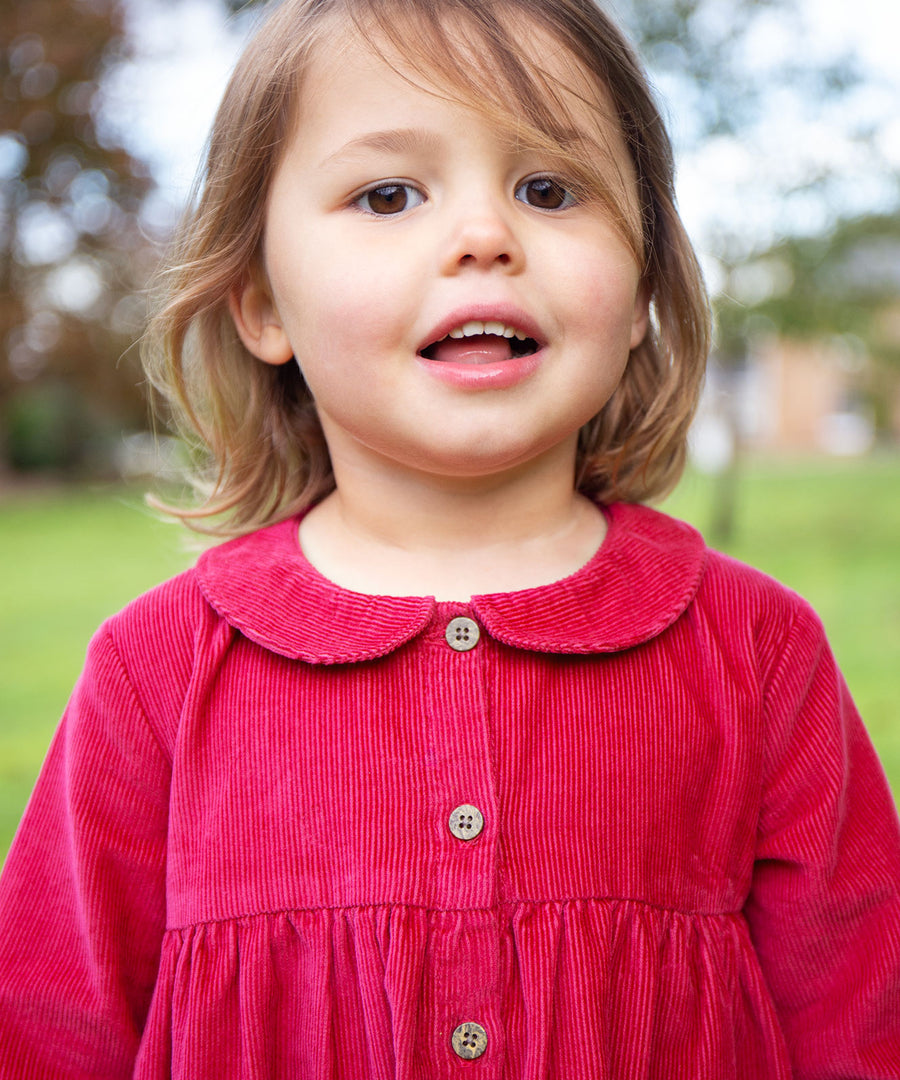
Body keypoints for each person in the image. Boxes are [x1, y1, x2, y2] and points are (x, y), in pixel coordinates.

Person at [1, 0, 898, 1074]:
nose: (485, 237)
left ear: (647, 281)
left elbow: (863, 1027)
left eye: (548, 189)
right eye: (388, 194)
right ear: (259, 303)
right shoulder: (156, 673)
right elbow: (46, 1033)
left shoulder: (758, 653)